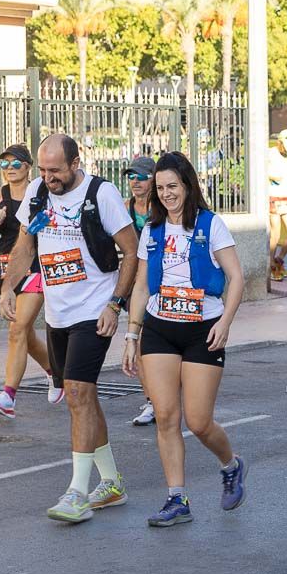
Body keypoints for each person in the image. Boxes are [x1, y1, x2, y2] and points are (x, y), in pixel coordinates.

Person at [0, 134, 138, 523]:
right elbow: (25, 245)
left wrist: (116, 304)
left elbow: (131, 251)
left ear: (76, 163)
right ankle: (111, 482)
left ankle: (77, 492)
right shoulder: (39, 193)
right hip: (57, 314)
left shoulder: (101, 193)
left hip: (94, 311)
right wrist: (8, 287)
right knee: (84, 398)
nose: (48, 177)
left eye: (55, 170)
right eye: (43, 170)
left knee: (77, 392)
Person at [122, 152, 248, 527]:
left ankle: (231, 464)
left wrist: (226, 321)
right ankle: (177, 498)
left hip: (202, 329)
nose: (166, 194)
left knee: (198, 421)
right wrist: (132, 334)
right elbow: (143, 284)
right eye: (160, 188)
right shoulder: (152, 229)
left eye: (172, 186)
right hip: (160, 327)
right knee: (165, 416)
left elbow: (236, 277)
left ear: (188, 185)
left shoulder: (211, 225)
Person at [0, 144, 60, 417]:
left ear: (27, 167)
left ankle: (8, 396)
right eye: (5, 164)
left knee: (17, 328)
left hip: (35, 264)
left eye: (15, 164)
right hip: (7, 269)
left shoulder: (40, 193)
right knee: (25, 332)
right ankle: (54, 372)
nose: (10, 169)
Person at [123, 156, 159, 427]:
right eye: (131, 176)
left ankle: (165, 395)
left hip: (164, 283)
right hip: (136, 286)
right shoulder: (124, 209)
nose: (135, 181)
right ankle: (152, 401)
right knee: (141, 344)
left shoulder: (163, 209)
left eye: (142, 176)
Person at [268, 130, 287, 282]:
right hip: (273, 196)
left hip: (286, 196)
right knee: (275, 235)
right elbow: (263, 172)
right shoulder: (271, 153)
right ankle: (270, 264)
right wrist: (274, 176)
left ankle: (279, 259)